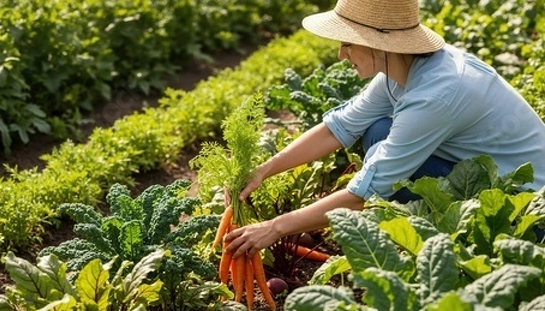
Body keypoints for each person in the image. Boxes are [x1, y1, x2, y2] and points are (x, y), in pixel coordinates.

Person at [225, 0, 545, 258]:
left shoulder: (436, 95)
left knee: (381, 155)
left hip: (524, 210)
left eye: (348, 43)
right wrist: (264, 170)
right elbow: (337, 128)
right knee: (377, 130)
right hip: (488, 179)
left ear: (378, 44)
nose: (341, 54)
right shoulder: (403, 69)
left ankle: (445, 242)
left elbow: (365, 193)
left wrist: (275, 228)